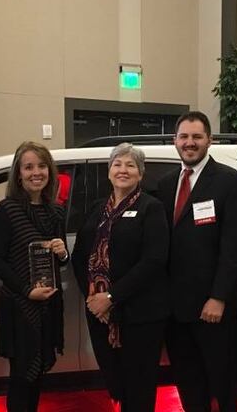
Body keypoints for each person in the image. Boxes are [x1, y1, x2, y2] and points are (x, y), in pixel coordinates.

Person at [157, 111, 237, 412]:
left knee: (221, 381)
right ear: (175, 141)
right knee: (188, 380)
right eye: (184, 137)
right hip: (175, 307)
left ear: (208, 140)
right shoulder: (166, 183)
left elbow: (234, 248)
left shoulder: (230, 182)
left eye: (197, 137)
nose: (190, 143)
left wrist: (218, 297)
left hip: (213, 308)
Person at [71, 143, 170, 412]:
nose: (123, 170)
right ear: (109, 171)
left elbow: (154, 261)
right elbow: (80, 256)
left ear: (141, 173)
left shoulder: (152, 208)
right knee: (115, 382)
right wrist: (93, 299)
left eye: (130, 165)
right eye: (117, 164)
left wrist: (111, 297)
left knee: (139, 387)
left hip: (139, 315)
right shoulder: (96, 208)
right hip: (100, 315)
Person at [0, 141, 68, 412]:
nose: (37, 172)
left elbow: (62, 261)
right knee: (22, 377)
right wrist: (26, 290)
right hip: (21, 306)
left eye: (42, 166)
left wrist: (62, 253)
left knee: (38, 378)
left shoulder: (56, 211)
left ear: (50, 171)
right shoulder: (7, 210)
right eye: (29, 167)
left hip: (48, 305)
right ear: (18, 173)